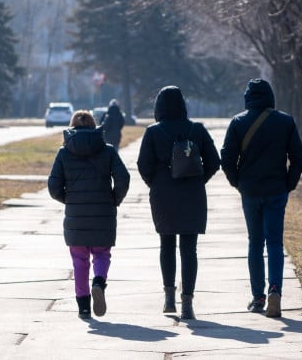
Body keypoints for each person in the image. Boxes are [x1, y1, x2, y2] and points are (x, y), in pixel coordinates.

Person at [220, 78, 302, 318]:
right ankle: (275, 290)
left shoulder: (238, 122)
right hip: (277, 189)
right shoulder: (285, 121)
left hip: (250, 191)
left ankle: (258, 297)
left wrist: (238, 182)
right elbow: (297, 158)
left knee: (255, 243)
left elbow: (227, 158)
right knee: (275, 242)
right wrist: (289, 184)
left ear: (248, 98)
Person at [137, 86, 220, 319]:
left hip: (163, 193)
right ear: (183, 105)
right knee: (189, 249)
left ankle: (168, 299)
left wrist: (156, 183)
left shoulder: (153, 132)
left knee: (166, 245)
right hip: (192, 192)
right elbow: (214, 161)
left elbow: (143, 165)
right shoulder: (197, 129)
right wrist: (198, 179)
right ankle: (188, 304)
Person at [48, 110, 130, 320]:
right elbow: (123, 178)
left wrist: (69, 200)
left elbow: (53, 186)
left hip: (76, 216)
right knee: (102, 254)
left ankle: (83, 307)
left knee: (79, 261)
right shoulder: (108, 151)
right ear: (95, 126)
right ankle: (99, 283)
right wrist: (114, 199)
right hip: (103, 213)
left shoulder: (64, 152)